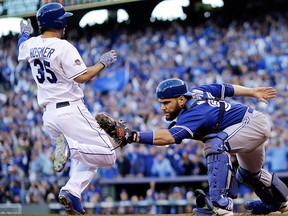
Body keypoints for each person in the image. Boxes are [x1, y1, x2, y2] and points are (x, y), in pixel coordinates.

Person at [114, 78, 288, 215]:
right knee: (250, 174)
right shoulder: (197, 91)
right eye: (161, 103)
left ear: (181, 99)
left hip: (251, 125)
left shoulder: (193, 112)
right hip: (250, 124)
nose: (162, 107)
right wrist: (252, 92)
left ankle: (220, 205)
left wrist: (132, 136)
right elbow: (226, 88)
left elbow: (169, 137)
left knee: (214, 144)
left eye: (166, 102)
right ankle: (280, 203)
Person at [17, 2, 117, 214]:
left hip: (49, 115)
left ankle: (72, 191)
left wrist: (24, 35)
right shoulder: (63, 47)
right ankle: (72, 149)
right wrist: (102, 63)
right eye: (64, 21)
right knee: (108, 154)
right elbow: (83, 76)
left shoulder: (32, 44)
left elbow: (21, 47)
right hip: (70, 110)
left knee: (92, 158)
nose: (66, 25)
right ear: (59, 23)